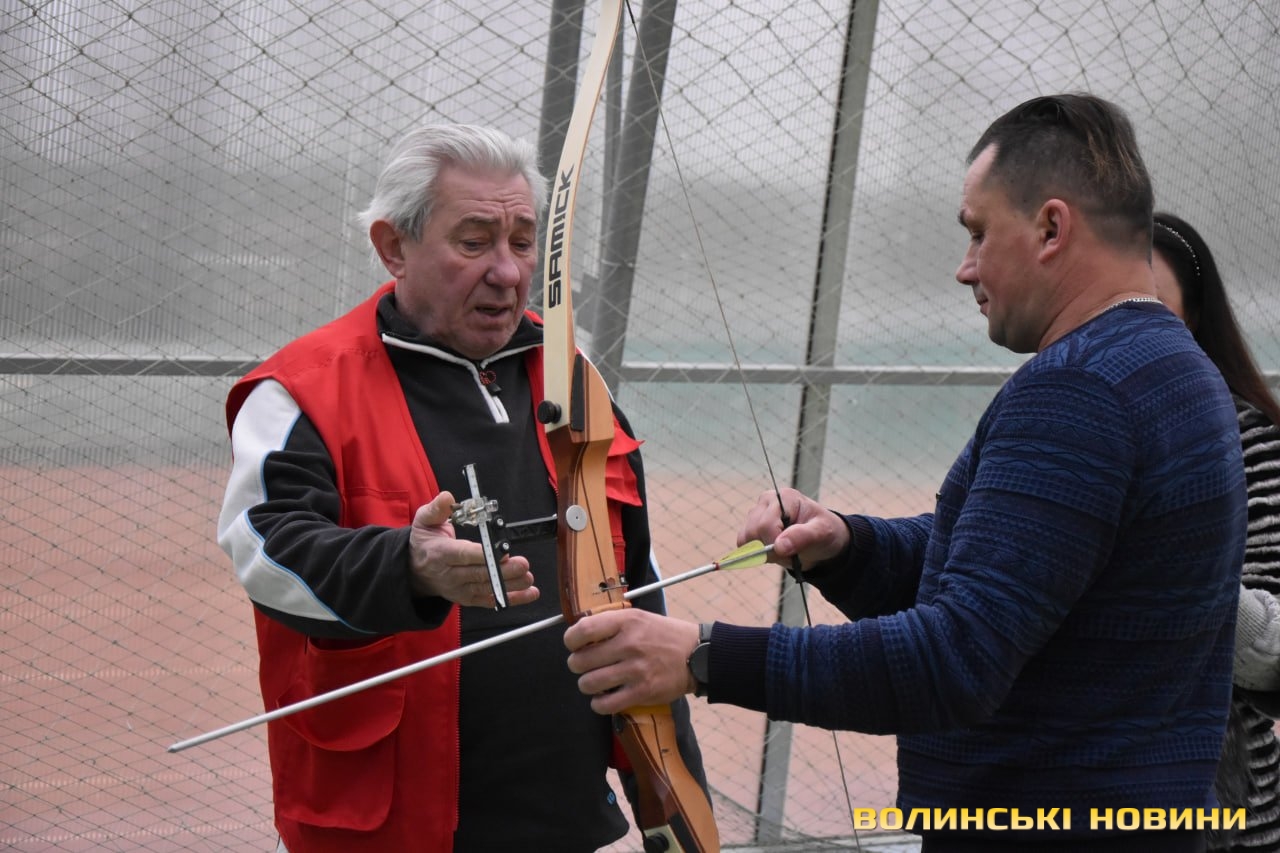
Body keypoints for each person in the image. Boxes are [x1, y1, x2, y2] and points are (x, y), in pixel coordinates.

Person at [564, 94, 1247, 851]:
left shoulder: (1080, 388)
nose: (965, 267)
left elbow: (954, 659)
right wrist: (849, 547)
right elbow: (1028, 569)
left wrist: (701, 655)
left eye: (979, 233)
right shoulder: (1179, 368)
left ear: (1052, 228)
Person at [215, 123, 708, 852]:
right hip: (387, 823)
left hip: (564, 816)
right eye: (474, 242)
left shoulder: (571, 376)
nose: (508, 272)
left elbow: (635, 585)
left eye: (523, 241)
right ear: (394, 246)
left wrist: (675, 792)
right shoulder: (304, 388)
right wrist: (408, 566)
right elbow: (267, 555)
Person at [1152, 211, 1280, 853]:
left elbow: (1273, 639)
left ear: (1196, 317)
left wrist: (1142, 573)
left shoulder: (1246, 440)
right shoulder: (1058, 423)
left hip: (1220, 811)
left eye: (1150, 308)